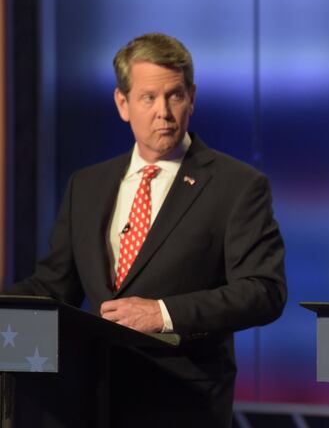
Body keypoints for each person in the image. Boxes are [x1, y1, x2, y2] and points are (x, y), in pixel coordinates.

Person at [5, 33, 287, 427]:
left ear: (192, 97)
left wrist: (163, 313)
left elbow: (263, 291)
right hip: (91, 400)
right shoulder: (87, 185)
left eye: (175, 96)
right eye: (149, 98)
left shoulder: (237, 185)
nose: (164, 113)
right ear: (123, 103)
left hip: (182, 403)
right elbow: (54, 287)